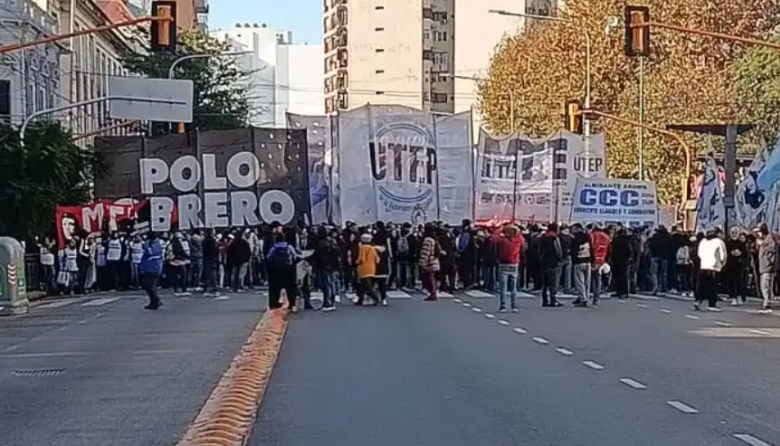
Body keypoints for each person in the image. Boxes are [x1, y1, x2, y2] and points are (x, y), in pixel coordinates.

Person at [695, 229, 727, 311]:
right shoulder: (719, 241)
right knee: (713, 286)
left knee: (702, 285)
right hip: (714, 267)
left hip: (704, 266)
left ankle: (699, 300)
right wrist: (722, 264)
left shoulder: (703, 241)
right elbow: (723, 255)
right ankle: (712, 304)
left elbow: (699, 254)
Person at [266, 233, 298, 311]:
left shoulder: (274, 247)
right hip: (288, 270)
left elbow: (268, 257)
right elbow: (295, 256)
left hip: (276, 271)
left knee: (274, 288)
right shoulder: (289, 247)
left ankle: (274, 304)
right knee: (290, 288)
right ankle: (292, 304)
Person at [496, 224, 523, 312]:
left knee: (503, 287)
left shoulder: (502, 241)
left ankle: (503, 306)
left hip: (503, 264)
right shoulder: (517, 241)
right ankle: (514, 306)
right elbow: (522, 240)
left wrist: (501, 230)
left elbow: (494, 238)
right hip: (514, 264)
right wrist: (517, 231)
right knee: (513, 287)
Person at [538, 223, 564, 308]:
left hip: (543, 262)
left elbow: (539, 250)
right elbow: (558, 250)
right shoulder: (554, 238)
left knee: (544, 283)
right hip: (552, 262)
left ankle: (544, 300)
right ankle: (553, 300)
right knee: (553, 283)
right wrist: (560, 258)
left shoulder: (542, 237)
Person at [570, 223, 593, 307]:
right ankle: (585, 297)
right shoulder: (587, 237)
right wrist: (592, 260)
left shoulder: (576, 239)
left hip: (579, 262)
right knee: (587, 282)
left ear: (577, 229)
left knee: (580, 282)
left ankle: (582, 298)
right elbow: (592, 248)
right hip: (588, 261)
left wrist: (574, 260)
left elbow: (574, 251)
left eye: (573, 228)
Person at [139, 233, 164, 310]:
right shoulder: (151, 243)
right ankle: (153, 301)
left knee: (150, 285)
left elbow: (150, 252)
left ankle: (156, 300)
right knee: (147, 285)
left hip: (154, 267)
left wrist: (146, 245)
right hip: (148, 267)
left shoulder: (156, 244)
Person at [355, 233, 381, 306]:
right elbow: (377, 259)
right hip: (372, 268)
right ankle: (360, 300)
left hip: (363, 268)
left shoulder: (362, 248)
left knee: (366, 286)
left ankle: (376, 298)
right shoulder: (372, 248)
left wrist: (356, 262)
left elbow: (362, 259)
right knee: (363, 286)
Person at [418, 224, 441, 301]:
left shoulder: (427, 240)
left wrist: (422, 262)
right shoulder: (434, 239)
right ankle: (433, 293)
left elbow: (425, 252)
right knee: (432, 278)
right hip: (434, 260)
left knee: (430, 278)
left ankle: (433, 294)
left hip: (429, 262)